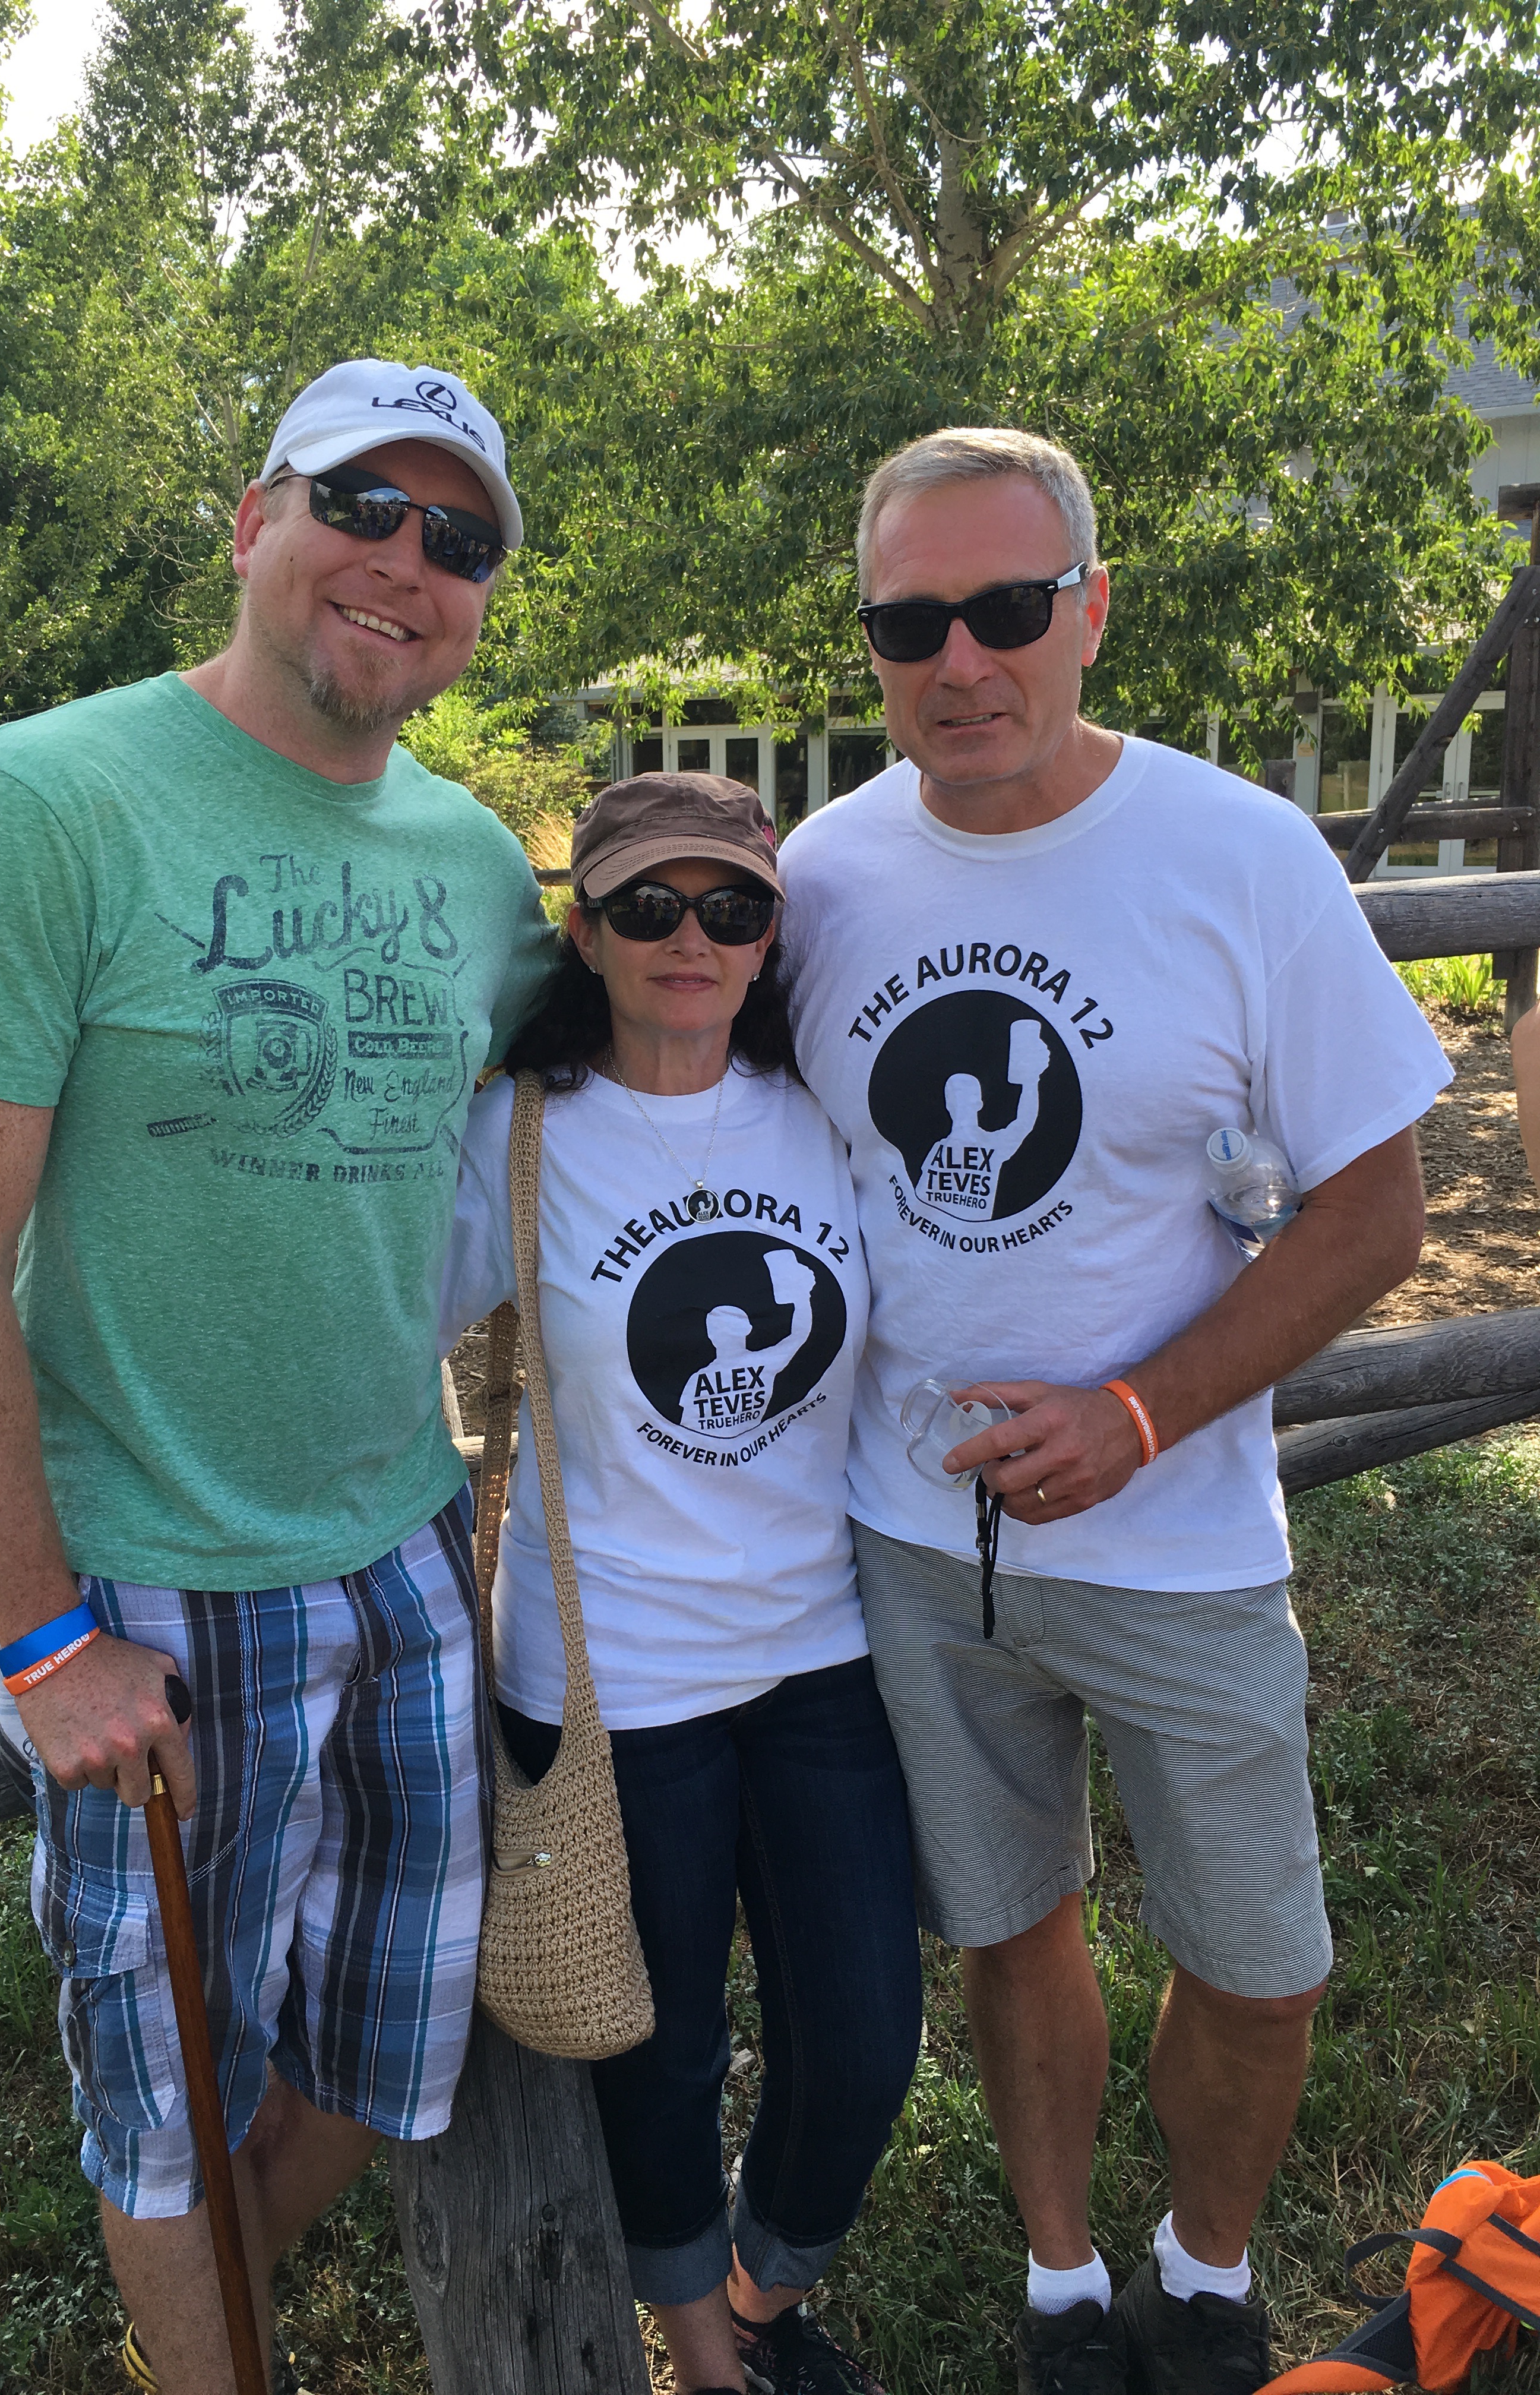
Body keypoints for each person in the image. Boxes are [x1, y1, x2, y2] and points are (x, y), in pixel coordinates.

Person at [0, 359, 555, 2395]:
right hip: (148, 1582)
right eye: (362, 505)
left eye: (458, 538)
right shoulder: (43, 799)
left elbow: (603, 1074)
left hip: (407, 1545)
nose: (406, 561)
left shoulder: (477, 868)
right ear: (254, 522)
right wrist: (40, 1636)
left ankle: (208, 2312)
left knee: (395, 2033)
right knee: (165, 2088)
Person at [777, 428, 1452, 2395]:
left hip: (1180, 1537)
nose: (961, 660)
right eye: (911, 622)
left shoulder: (1241, 856)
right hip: (917, 1540)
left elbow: (1377, 1214)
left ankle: (1206, 2270)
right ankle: (1066, 2283)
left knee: (1261, 1964)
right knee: (1014, 1929)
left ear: (1092, 610)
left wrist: (1140, 1416)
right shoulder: (816, 881)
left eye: (1008, 607)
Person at [439, 772, 924, 2395]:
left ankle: (765, 2297)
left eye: (731, 906)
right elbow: (372, 1322)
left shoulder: (824, 1115)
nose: (690, 936)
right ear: (585, 934)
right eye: (647, 905)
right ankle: (709, 2362)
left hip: (819, 1648)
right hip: (613, 1674)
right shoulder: (519, 1135)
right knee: (654, 2048)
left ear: (772, 934)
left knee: (864, 2034)